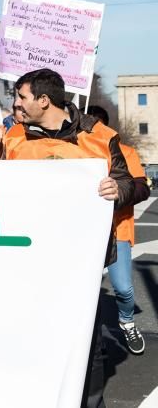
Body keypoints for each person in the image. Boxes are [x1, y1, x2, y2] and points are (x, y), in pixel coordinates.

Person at [4, 69, 136, 407]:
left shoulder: (100, 135)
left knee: (85, 347)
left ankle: (89, 402)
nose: (16, 103)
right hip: (31, 262)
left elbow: (129, 183)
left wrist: (117, 188)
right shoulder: (14, 137)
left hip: (82, 263)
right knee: (35, 340)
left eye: (21, 97)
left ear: (43, 100)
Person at [86, 105, 148, 355]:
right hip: (84, 232)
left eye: (97, 125)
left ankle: (127, 320)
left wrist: (118, 192)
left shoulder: (126, 152)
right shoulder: (76, 153)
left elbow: (142, 188)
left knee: (123, 288)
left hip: (118, 230)